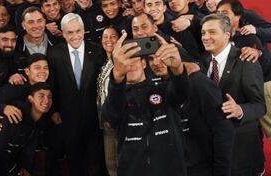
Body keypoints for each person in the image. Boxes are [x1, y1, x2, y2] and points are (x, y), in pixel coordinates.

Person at [102, 32, 190, 176]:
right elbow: (111, 115)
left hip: (171, 169)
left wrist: (178, 69)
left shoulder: (164, 87)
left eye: (134, 59)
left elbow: (182, 93)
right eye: (125, 61)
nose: (129, 65)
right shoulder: (116, 96)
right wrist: (117, 77)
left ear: (144, 63)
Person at [200, 13, 266, 175]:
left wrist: (240, 110)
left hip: (242, 150)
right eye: (203, 33)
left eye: (212, 32)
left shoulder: (246, 60)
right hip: (214, 150)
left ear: (227, 35)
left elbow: (260, 106)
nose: (206, 37)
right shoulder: (203, 60)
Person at [150, 53, 235, 175]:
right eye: (150, 59)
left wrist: (221, 172)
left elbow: (223, 129)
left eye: (161, 56)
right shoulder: (153, 87)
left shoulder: (198, 82)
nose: (156, 63)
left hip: (202, 168)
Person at [47, 13, 105, 176]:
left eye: (78, 31)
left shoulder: (97, 50)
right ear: (63, 34)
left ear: (84, 30)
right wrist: (54, 111)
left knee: (95, 159)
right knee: (74, 159)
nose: (75, 36)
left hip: (94, 116)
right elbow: (53, 85)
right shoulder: (54, 53)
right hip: (67, 117)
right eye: (70, 32)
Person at [96, 26, 120, 176]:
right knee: (110, 163)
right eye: (105, 37)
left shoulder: (123, 61)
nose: (109, 40)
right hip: (105, 121)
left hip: (120, 121)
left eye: (113, 36)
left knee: (122, 162)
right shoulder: (104, 62)